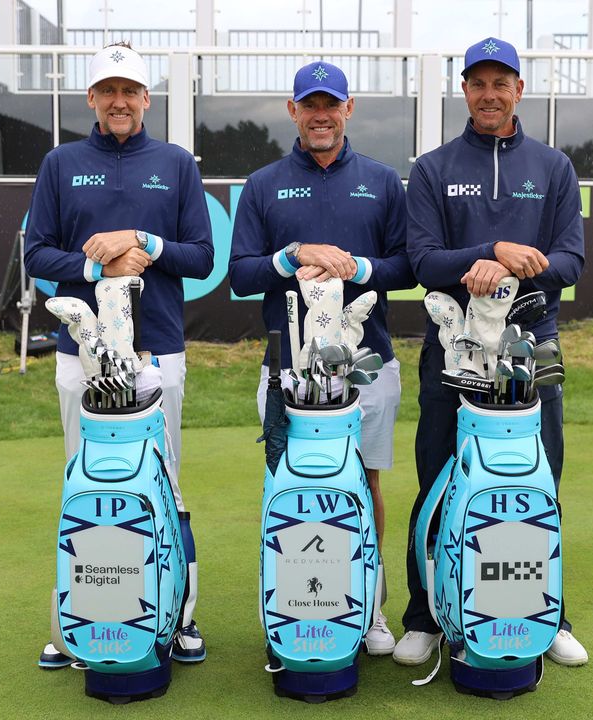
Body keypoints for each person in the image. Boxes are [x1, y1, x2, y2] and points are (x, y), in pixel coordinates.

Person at [394, 36, 589, 668]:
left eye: (500, 83)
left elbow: (571, 260)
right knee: (437, 478)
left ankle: (547, 614)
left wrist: (510, 267)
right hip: (452, 348)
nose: (489, 94)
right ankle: (425, 615)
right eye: (478, 83)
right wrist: (488, 255)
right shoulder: (433, 168)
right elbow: (423, 261)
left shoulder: (553, 167)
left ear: (518, 91)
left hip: (533, 348)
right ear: (465, 90)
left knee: (538, 481)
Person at [24, 42, 214, 667]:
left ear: (146, 99)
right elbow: (37, 256)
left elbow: (201, 257)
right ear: (92, 99)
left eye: (130, 91)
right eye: (108, 90)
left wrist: (144, 242)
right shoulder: (60, 163)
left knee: (168, 485)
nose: (119, 101)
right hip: (80, 352)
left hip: (157, 347)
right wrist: (95, 262)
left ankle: (179, 618)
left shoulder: (177, 163)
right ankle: (73, 624)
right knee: (85, 485)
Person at [229, 61, 414, 656]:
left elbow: (406, 268)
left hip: (369, 361)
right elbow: (238, 275)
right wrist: (292, 257)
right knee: (286, 483)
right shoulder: (263, 184)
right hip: (285, 369)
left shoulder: (384, 182)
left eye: (330, 104)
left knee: (367, 481)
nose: (320, 115)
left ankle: (371, 608)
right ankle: (291, 605)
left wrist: (357, 269)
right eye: (309, 105)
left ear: (348, 108)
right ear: (293, 111)